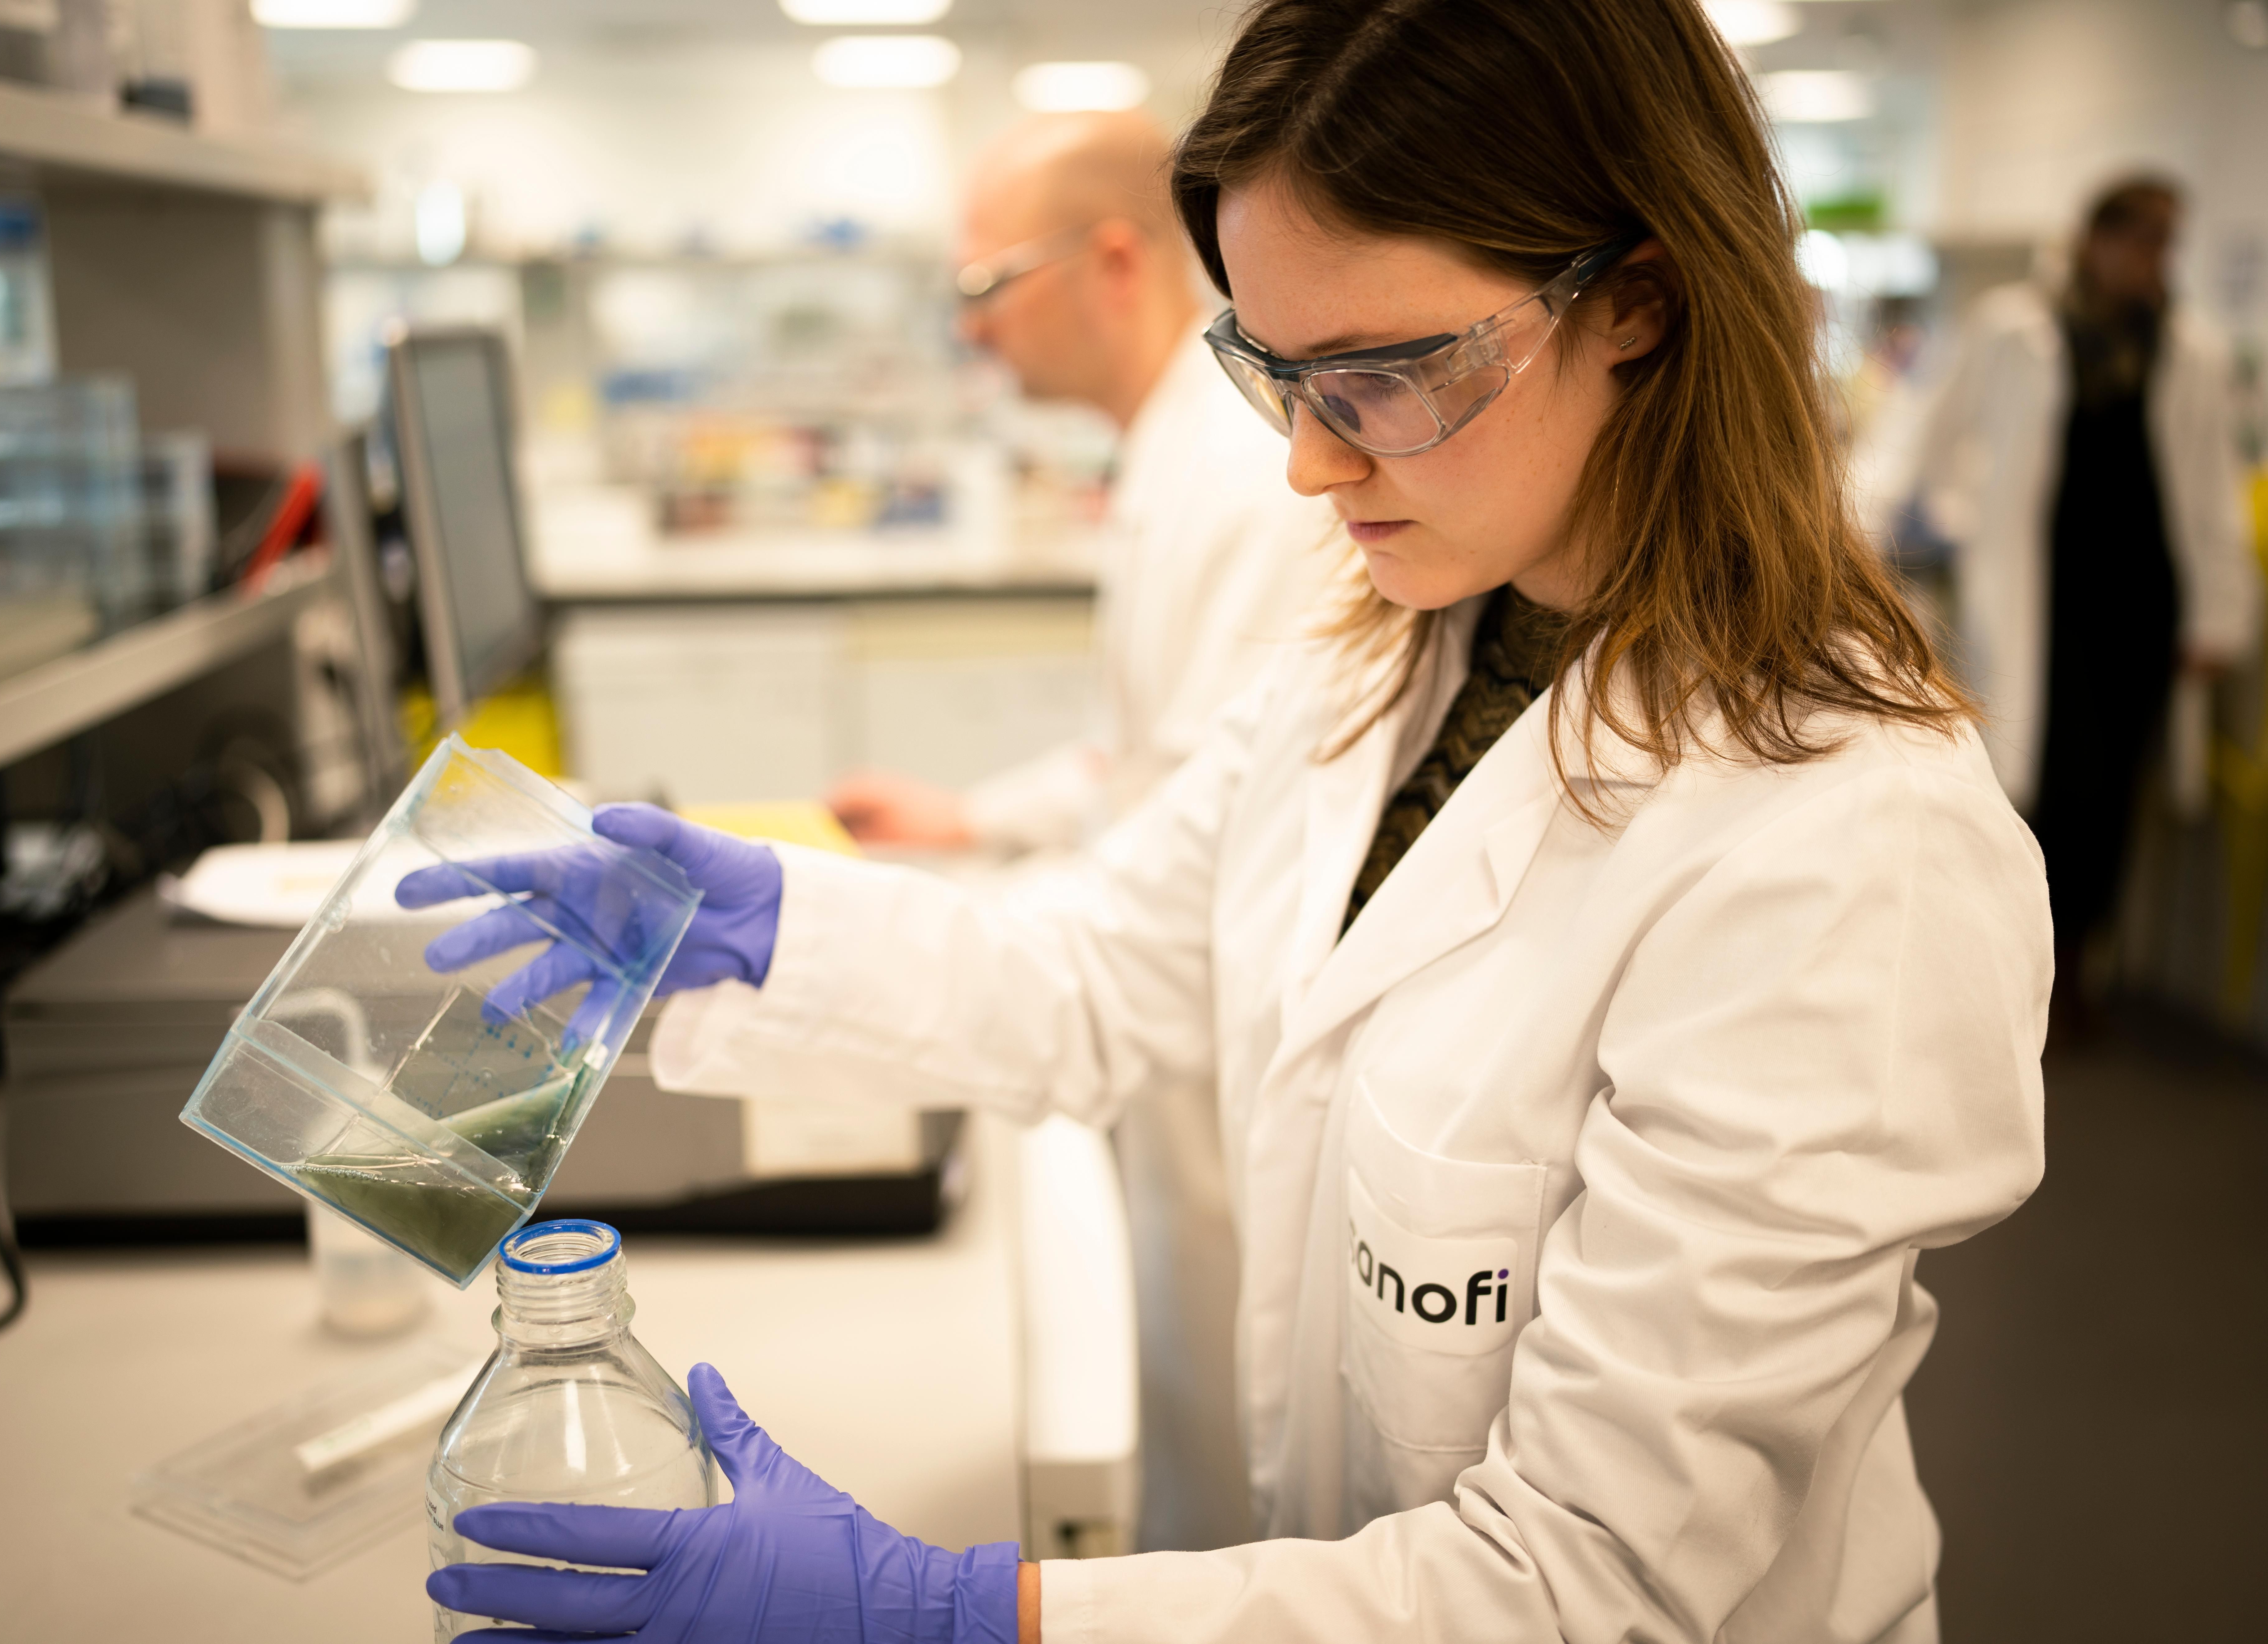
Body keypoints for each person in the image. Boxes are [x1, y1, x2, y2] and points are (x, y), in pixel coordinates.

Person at [415, 2, 2051, 1639]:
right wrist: (776, 930)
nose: (1308, 471)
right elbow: (1105, 971)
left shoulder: (1841, 848)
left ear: (1638, 302)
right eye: (1278, 376)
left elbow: (1582, 1578)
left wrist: (954, 1614)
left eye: (1385, 377)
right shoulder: (1387, 651)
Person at [830, 110, 1338, 1554]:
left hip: (1214, 1048)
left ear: (1112, 262)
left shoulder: (1242, 473)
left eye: (987, 285)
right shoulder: (1172, 446)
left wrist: (959, 934)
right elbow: (1162, 754)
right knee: (1173, 1436)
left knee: (1232, 1477)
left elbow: (1199, 831)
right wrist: (975, 819)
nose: (971, 328)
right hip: (1168, 1022)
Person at [1907, 175, 2258, 1040]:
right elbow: (1935, 432)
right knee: (2051, 783)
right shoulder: (2017, 327)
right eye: (2140, 238)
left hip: (2142, 606)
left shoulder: (2190, 348)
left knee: (2114, 799)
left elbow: (2212, 488)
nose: (2153, 259)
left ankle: (2075, 976)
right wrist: (1947, 516)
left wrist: (2218, 614)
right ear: (2095, 239)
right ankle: (2022, 975)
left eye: (2166, 242)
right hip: (2047, 600)